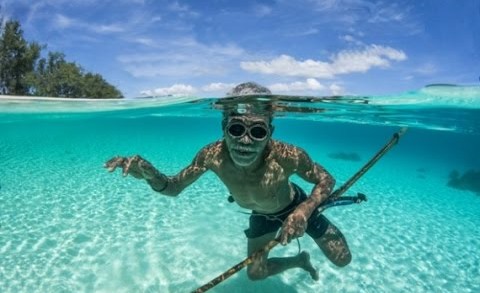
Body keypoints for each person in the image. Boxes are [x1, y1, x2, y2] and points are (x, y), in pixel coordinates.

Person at [104, 82, 351, 281]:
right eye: (236, 130)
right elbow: (172, 188)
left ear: (270, 133)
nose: (245, 141)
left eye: (257, 132)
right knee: (256, 274)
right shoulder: (211, 155)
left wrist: (303, 211)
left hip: (296, 206)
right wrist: (149, 173)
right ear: (224, 127)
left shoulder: (288, 155)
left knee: (343, 259)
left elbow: (325, 179)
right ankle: (298, 261)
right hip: (261, 215)